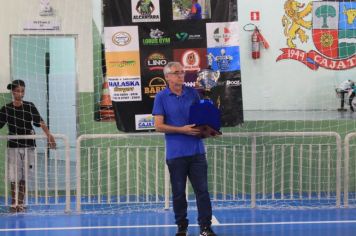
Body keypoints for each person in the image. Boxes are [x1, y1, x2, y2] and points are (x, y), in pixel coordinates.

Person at [152, 62, 216, 236]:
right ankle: (182, 227)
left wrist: (210, 129)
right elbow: (158, 126)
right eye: (176, 73)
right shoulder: (161, 97)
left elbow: (200, 120)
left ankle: (205, 227)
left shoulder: (193, 93)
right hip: (176, 154)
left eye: (182, 72)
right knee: (179, 193)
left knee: (202, 192)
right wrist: (182, 130)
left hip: (197, 153)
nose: (181, 75)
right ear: (167, 77)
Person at [0, 79, 56, 212]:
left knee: (25, 176)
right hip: (13, 146)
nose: (20, 93)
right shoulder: (6, 108)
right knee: (14, 176)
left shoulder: (29, 106)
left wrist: (49, 136)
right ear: (13, 92)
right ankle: (14, 203)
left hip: (29, 145)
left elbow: (40, 121)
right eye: (18, 91)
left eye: (22, 91)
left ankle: (21, 202)